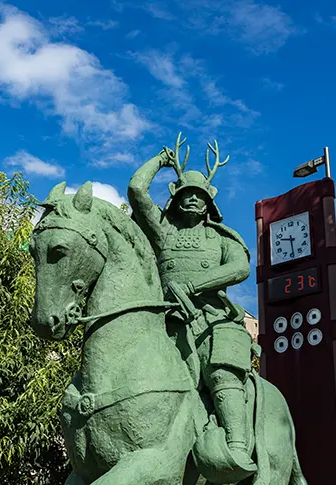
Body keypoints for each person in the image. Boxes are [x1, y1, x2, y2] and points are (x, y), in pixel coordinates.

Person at [127, 133, 256, 476]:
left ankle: (236, 448)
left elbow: (240, 268)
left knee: (221, 369)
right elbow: (137, 191)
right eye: (187, 194)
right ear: (177, 198)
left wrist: (194, 284)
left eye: (200, 195)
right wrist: (160, 159)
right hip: (164, 320)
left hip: (211, 320)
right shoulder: (163, 232)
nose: (193, 200)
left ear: (209, 202)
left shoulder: (221, 237)